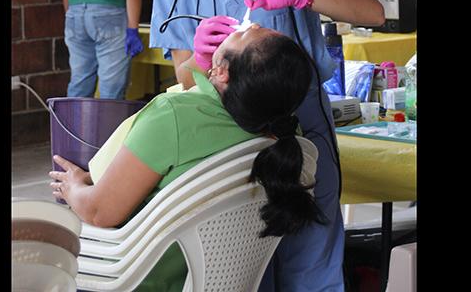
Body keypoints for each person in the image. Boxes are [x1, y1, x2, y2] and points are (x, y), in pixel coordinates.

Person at [146, 0, 386, 291]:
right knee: (240, 272)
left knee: (310, 268)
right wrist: (198, 54)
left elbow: (373, 13)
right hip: (222, 147)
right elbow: (186, 81)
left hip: (302, 138)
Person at [49, 21, 323, 291]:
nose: (252, 23)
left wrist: (72, 186)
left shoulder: (173, 117)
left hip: (140, 277)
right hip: (207, 277)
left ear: (222, 72)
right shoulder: (284, 134)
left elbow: (99, 212)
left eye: (244, 32)